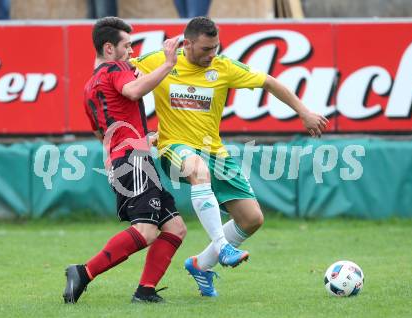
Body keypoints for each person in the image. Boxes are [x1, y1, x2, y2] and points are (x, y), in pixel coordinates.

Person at [130, 16, 328, 297]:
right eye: (205, 49)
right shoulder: (161, 60)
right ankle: (222, 245)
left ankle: (201, 264)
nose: (212, 54)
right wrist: (139, 132)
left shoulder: (223, 67)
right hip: (174, 147)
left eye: (215, 47)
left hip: (215, 150)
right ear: (186, 44)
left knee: (252, 219)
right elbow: (120, 79)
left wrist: (305, 113)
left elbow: (270, 83)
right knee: (198, 169)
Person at [62, 17, 187, 304]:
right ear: (109, 48)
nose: (131, 51)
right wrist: (168, 64)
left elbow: (100, 132)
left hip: (123, 160)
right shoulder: (115, 69)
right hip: (133, 161)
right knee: (146, 230)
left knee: (175, 227)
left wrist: (141, 139)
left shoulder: (88, 86)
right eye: (126, 45)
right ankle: (83, 272)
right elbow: (133, 91)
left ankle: (145, 290)